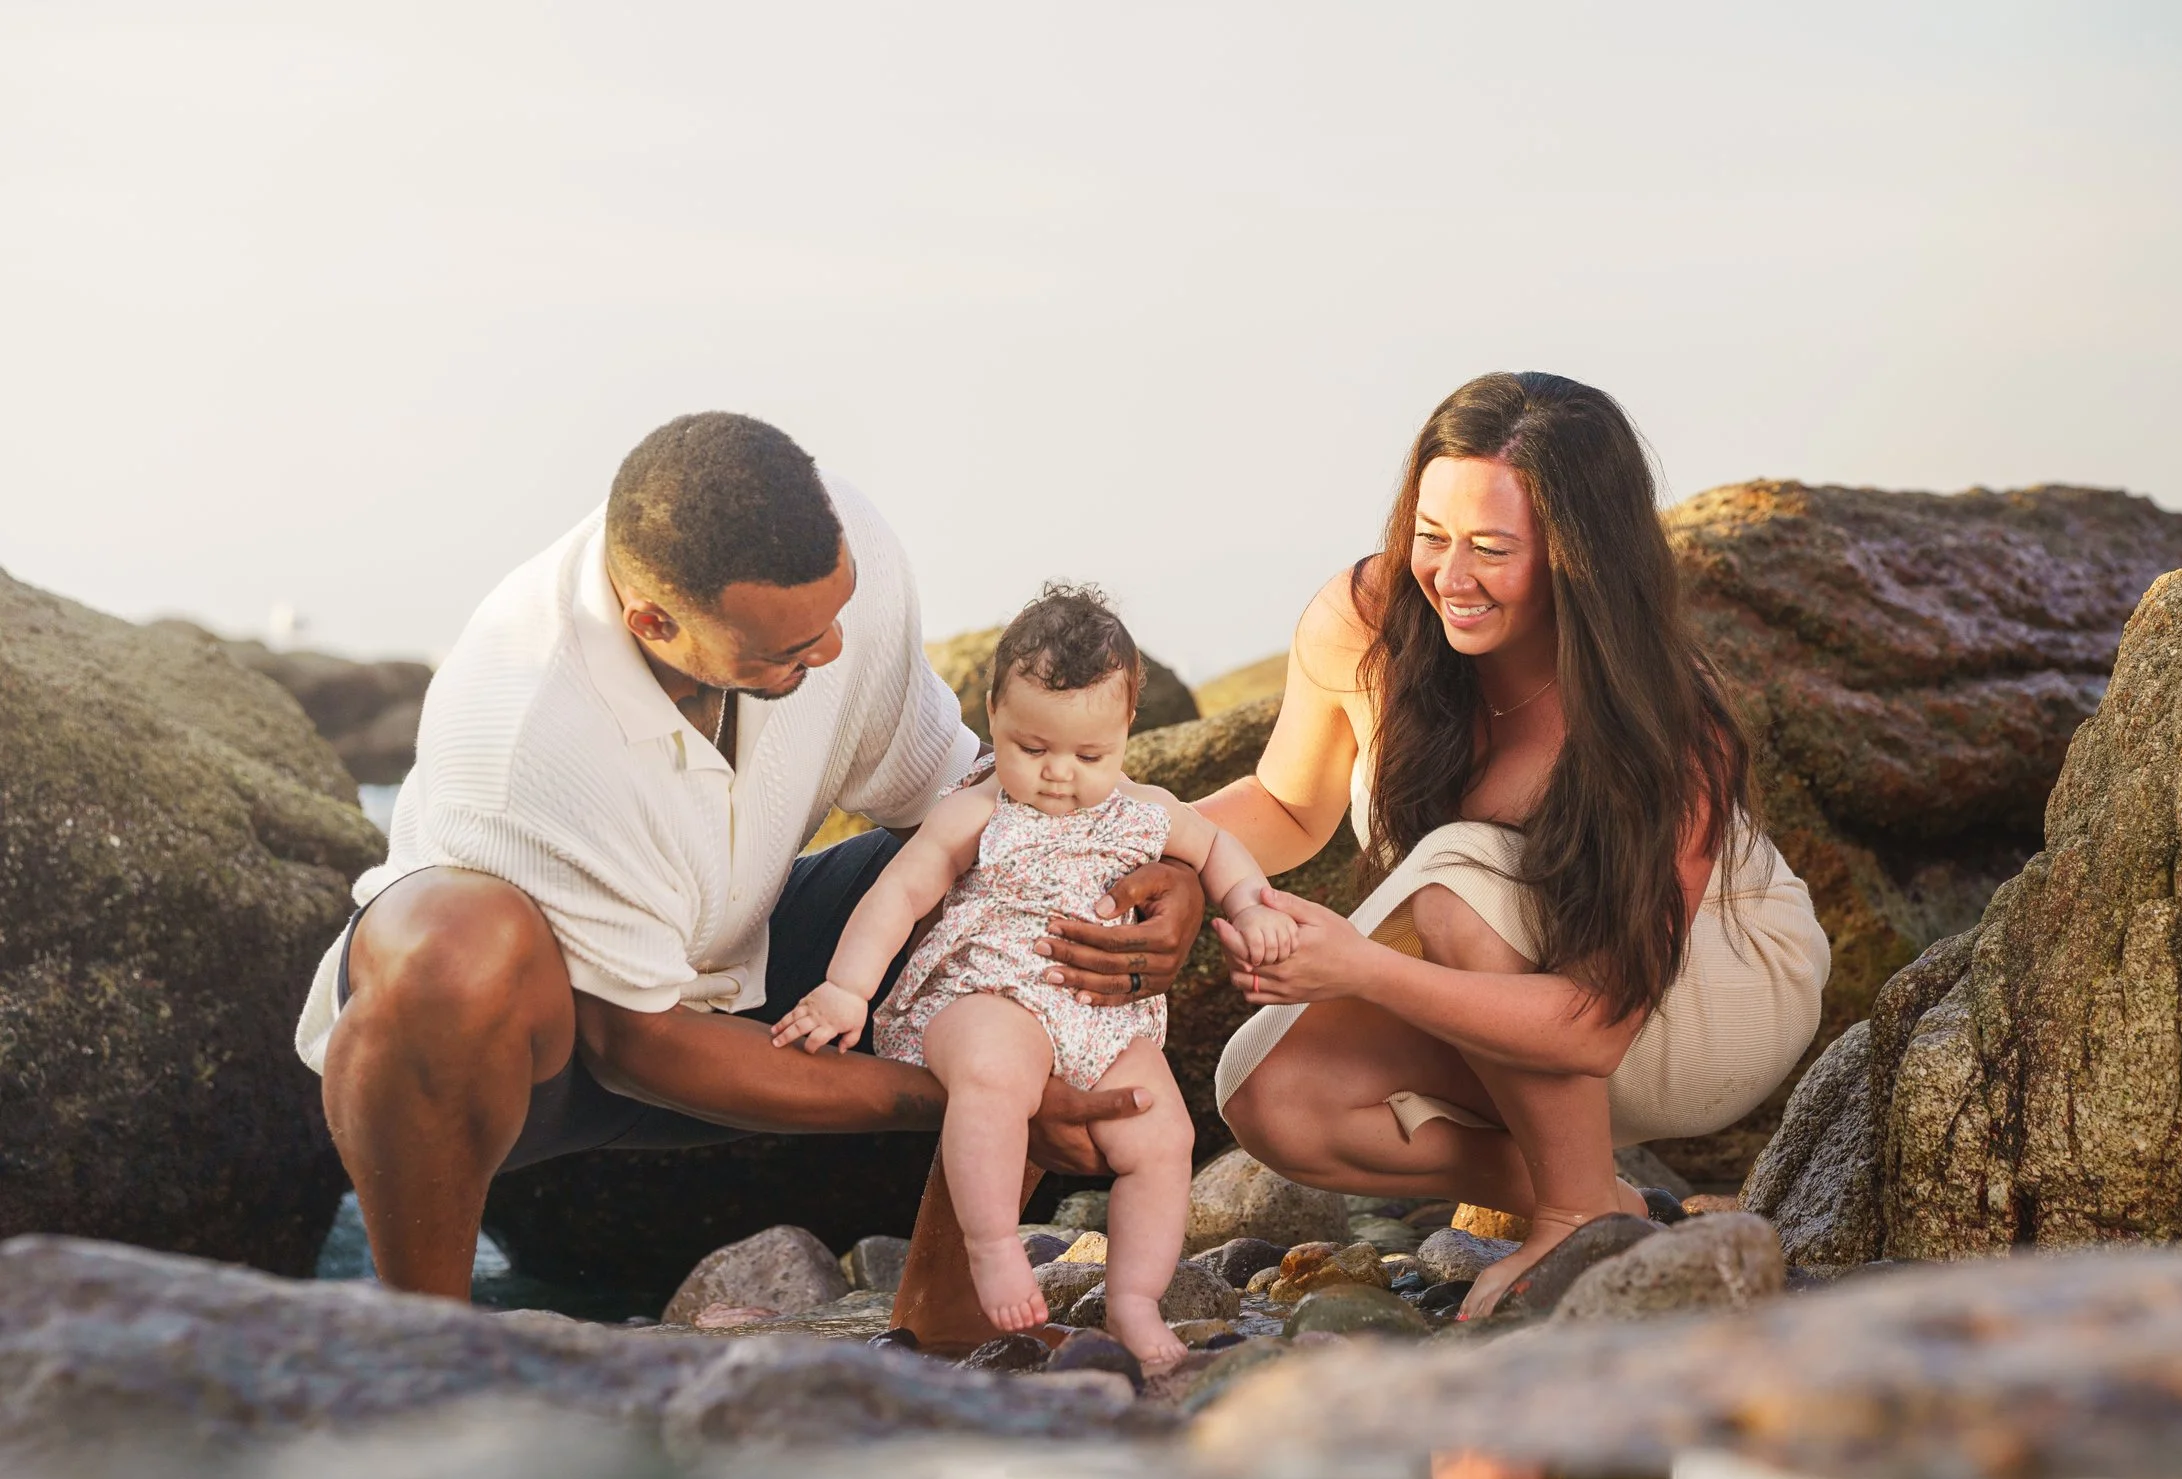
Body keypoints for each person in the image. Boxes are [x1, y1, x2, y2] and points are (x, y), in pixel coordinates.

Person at [296, 413, 1204, 1322]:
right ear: (654, 622)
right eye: (788, 650)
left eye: (835, 615)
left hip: (744, 964)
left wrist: (1170, 880)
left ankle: (948, 1320)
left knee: (1023, 879)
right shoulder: (529, 724)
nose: (834, 650)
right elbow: (634, 1046)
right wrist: (981, 1088)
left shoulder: (840, 573)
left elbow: (975, 802)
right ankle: (423, 1348)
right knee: (449, 952)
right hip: (548, 1049)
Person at [1198, 372, 1829, 1317]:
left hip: (1703, 987)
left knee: (1453, 874)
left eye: (1493, 549)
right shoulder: (1368, 622)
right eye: (1433, 535)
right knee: (1269, 1088)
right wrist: (1155, 850)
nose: (1451, 577)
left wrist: (1360, 970)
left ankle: (1574, 1218)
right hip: (1529, 984)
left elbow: (1599, 1021)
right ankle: (1599, 1200)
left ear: (1582, 557)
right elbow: (1290, 805)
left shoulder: (1660, 719)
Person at [774, 585, 1293, 1367]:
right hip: (986, 994)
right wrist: (847, 986)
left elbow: (1218, 849)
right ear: (992, 717)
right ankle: (992, 1248)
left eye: (1089, 755)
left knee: (1164, 1134)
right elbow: (900, 892)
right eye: (1031, 747)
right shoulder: (977, 811)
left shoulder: (1147, 810)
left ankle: (1135, 1302)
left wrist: (1252, 903)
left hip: (1103, 1020)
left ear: (1126, 730)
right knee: (996, 1074)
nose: (1058, 774)